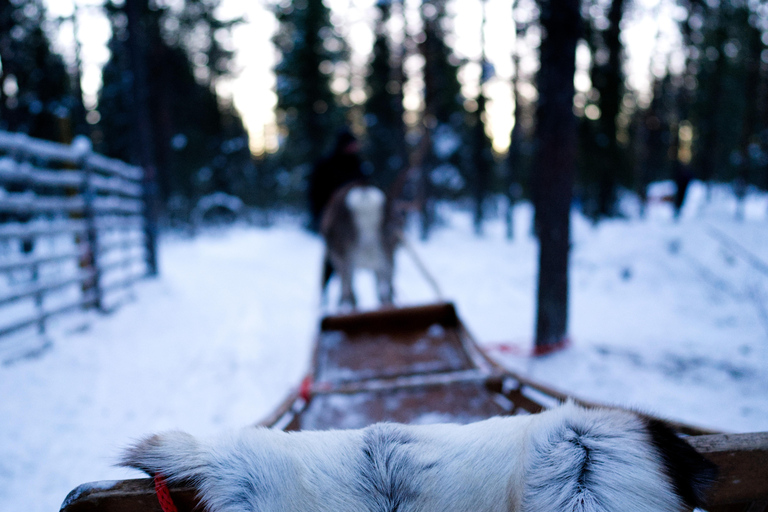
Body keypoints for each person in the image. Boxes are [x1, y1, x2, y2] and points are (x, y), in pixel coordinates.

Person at [307, 129, 366, 233]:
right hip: (333, 209)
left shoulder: (356, 163)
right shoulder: (326, 165)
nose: (355, 147)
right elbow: (316, 192)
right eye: (351, 144)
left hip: (356, 207)